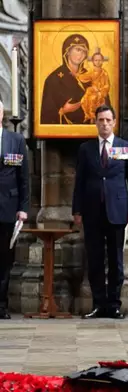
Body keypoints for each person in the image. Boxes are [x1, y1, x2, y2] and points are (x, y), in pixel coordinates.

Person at [72, 104, 128, 319]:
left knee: (116, 260)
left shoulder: (125, 147)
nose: (104, 124)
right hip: (92, 212)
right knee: (94, 260)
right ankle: (99, 304)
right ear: (96, 122)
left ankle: (114, 305)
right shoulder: (86, 149)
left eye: (108, 120)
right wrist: (77, 210)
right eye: (101, 120)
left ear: (114, 122)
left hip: (117, 211)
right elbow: (80, 182)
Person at [0, 100, 29, 319]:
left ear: (2, 115)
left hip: (7, 208)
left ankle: (1, 305)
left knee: (4, 258)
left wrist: (23, 208)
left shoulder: (15, 140)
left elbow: (23, 178)